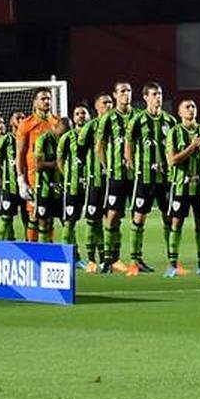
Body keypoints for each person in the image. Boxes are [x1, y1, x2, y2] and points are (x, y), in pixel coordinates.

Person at [124, 82, 179, 276]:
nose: (158, 97)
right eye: (154, 94)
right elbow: (129, 144)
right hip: (145, 178)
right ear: (146, 97)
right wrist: (130, 162)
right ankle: (134, 260)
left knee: (169, 218)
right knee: (139, 218)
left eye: (160, 93)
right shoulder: (138, 121)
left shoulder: (170, 121)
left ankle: (173, 261)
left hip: (165, 178)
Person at [164, 98, 200, 277]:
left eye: (193, 106)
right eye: (187, 107)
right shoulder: (174, 132)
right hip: (180, 186)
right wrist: (192, 146)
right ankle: (172, 265)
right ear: (179, 113)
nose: (191, 109)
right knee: (176, 222)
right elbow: (172, 160)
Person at [95, 81, 135, 274]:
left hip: (135, 175)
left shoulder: (138, 116)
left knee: (133, 217)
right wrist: (106, 167)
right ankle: (108, 258)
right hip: (116, 175)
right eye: (122, 91)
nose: (126, 94)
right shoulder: (109, 118)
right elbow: (99, 147)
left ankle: (130, 259)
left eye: (128, 91)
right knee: (111, 216)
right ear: (116, 94)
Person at [15, 87, 55, 242]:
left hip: (53, 176)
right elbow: (20, 154)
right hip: (34, 178)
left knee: (49, 217)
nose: (47, 101)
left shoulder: (57, 122)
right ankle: (32, 252)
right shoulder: (27, 124)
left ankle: (49, 252)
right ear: (35, 102)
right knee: (34, 215)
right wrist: (21, 180)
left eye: (48, 99)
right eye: (43, 99)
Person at [80, 93, 112, 271]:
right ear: (97, 107)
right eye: (104, 102)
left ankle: (108, 259)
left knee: (110, 220)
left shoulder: (117, 124)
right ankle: (91, 260)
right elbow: (79, 153)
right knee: (93, 221)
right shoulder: (90, 127)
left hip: (113, 180)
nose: (108, 105)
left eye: (110, 102)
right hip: (95, 181)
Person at [56, 105, 89, 266]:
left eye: (83, 113)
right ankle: (68, 257)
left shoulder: (94, 135)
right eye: (77, 113)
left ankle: (99, 259)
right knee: (69, 222)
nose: (80, 116)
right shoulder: (67, 138)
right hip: (73, 187)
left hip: (91, 186)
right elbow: (60, 160)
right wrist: (67, 176)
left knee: (94, 222)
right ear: (73, 118)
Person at [32, 116, 69, 243]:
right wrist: (58, 164)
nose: (65, 136)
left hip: (61, 189)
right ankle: (44, 254)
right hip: (44, 188)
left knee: (68, 223)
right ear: (56, 126)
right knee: (44, 223)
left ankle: (74, 255)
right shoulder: (43, 140)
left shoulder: (68, 140)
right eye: (63, 132)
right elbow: (38, 165)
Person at [0, 111, 27, 240]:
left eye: (23, 118)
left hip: (25, 186)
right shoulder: (5, 140)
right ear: (11, 122)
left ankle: (30, 248)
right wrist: (2, 180)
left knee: (28, 220)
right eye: (18, 118)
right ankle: (0, 250)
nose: (21, 120)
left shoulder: (27, 138)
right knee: (6, 220)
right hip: (10, 187)